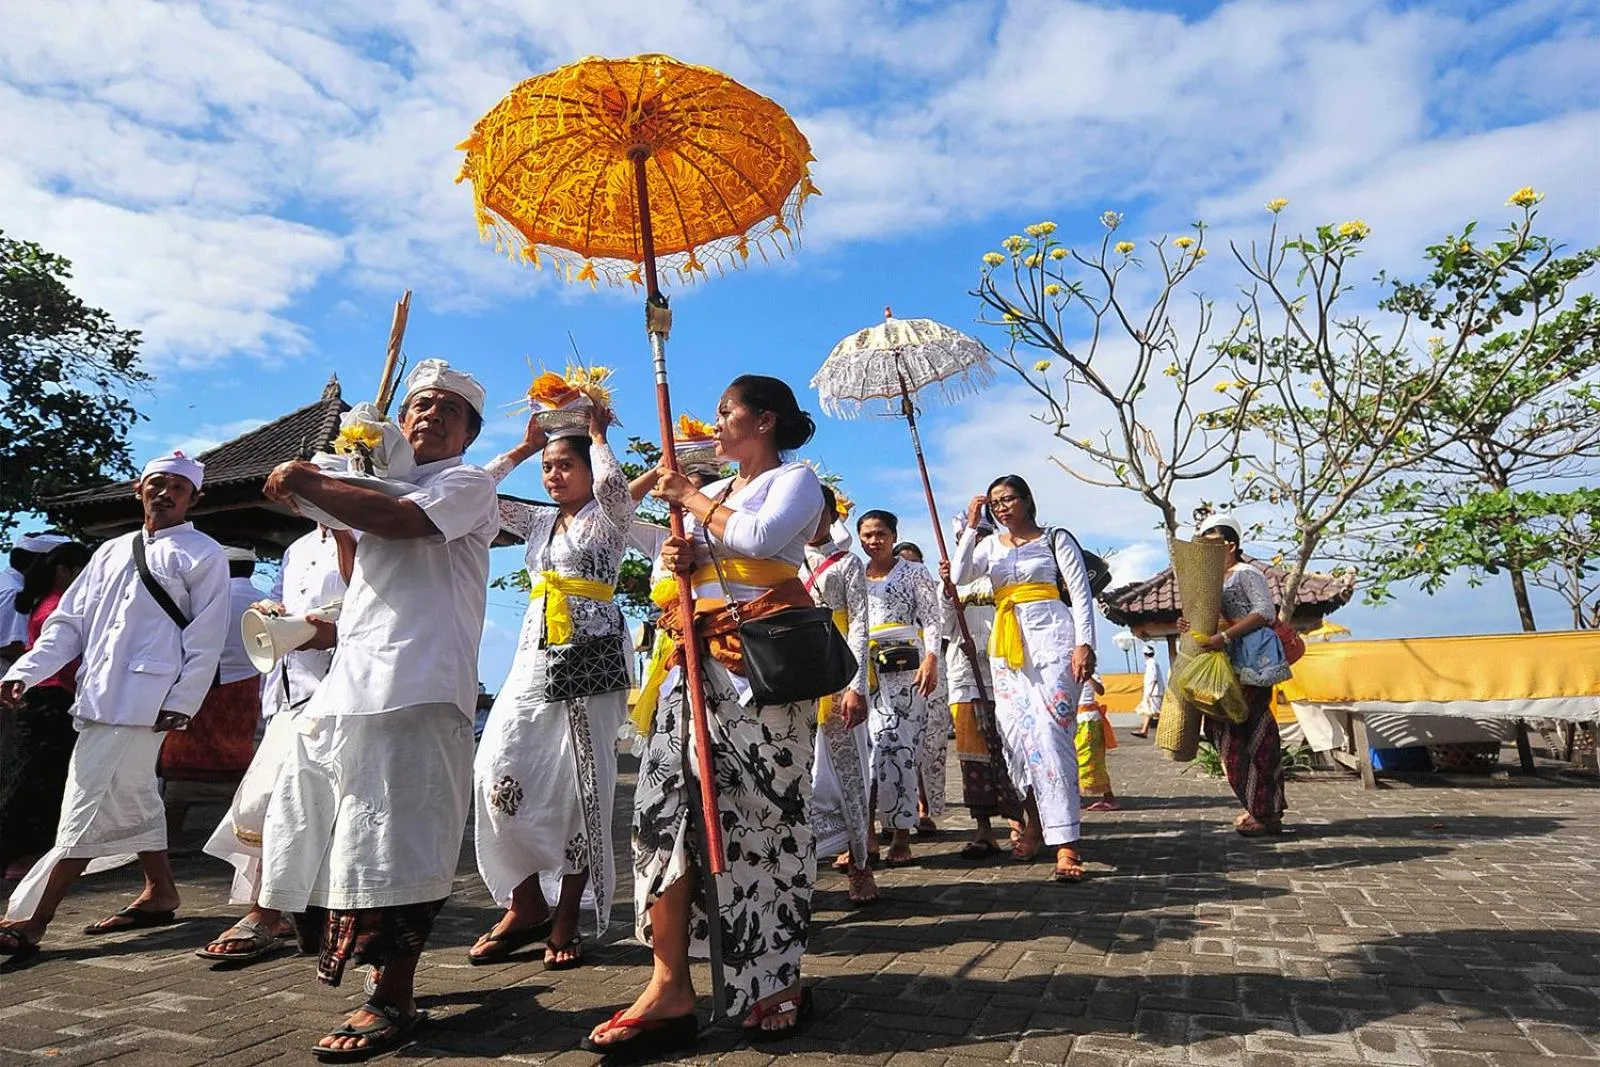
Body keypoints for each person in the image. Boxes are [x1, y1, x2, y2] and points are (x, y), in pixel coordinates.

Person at [259, 359, 499, 1061]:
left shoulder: (468, 484)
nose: (429, 416)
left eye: (447, 411)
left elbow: (402, 522)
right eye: (419, 406)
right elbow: (363, 569)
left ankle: (394, 995)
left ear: (468, 434)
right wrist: (331, 508)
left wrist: (311, 481)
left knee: (395, 843)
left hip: (419, 685)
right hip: (352, 681)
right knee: (321, 828)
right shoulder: (374, 482)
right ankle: (368, 969)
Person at [584, 374, 825, 1057]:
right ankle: (669, 983)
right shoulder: (708, 495)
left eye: (728, 412)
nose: (717, 424)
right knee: (663, 816)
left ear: (765, 418)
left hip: (761, 671)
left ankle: (774, 978)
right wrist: (605, 446)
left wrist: (689, 497)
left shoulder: (795, 479)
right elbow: (619, 522)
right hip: (687, 669)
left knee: (764, 817)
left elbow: (761, 535)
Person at [0, 452, 229, 959]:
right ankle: (161, 890)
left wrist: (183, 700)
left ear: (195, 498)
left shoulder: (202, 553)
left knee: (82, 810)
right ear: (138, 490)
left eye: (177, 487)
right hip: (98, 695)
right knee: (134, 796)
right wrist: (26, 670)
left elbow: (206, 637)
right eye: (156, 484)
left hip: (148, 703)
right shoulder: (109, 552)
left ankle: (32, 918)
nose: (164, 493)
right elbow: (69, 624)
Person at [471, 400, 634, 970]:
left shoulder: (610, 516)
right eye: (547, 467)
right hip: (531, 661)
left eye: (566, 463)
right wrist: (519, 448)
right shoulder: (539, 521)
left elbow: (617, 491)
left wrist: (597, 434)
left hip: (590, 658)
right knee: (493, 768)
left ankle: (568, 912)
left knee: (580, 786)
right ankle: (526, 902)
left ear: (590, 468)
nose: (554, 474)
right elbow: (475, 495)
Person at [198, 526, 353, 965]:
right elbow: (283, 600)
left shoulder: (366, 534)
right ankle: (279, 910)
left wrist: (335, 633)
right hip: (289, 690)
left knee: (294, 802)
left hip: (339, 688)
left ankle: (269, 913)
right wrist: (270, 608)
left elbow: (378, 610)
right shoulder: (298, 547)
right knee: (267, 800)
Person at [949, 475, 1096, 885]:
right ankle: (1033, 824)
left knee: (1051, 737)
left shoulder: (1055, 538)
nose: (1002, 507)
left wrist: (1085, 645)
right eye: (994, 502)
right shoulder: (990, 545)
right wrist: (973, 525)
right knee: (1017, 740)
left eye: (1008, 498)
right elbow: (960, 574)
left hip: (1053, 642)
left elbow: (1081, 595)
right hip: (1006, 650)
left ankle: (1066, 842)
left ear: (1028, 499)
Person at [1192, 515, 1291, 836]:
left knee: (1245, 727)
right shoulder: (1211, 579)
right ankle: (1262, 807)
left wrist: (1227, 636)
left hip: (1251, 656)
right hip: (1226, 658)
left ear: (1230, 546)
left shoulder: (1245, 572)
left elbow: (1264, 612)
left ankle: (1264, 810)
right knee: (1236, 729)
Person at [159, 545, 267, 837]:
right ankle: (240, 834)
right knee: (243, 757)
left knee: (183, 761)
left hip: (199, 687)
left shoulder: (202, 601)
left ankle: (169, 836)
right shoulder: (265, 602)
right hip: (247, 690)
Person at [0, 541, 92, 879]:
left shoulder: (44, 603)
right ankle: (23, 854)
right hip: (52, 700)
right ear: (63, 571)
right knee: (42, 780)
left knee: (23, 775)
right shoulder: (59, 608)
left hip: (39, 698)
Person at [803, 485, 876, 906]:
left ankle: (861, 865)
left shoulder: (849, 563)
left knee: (848, 770)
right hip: (797, 672)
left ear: (833, 516)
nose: (812, 521)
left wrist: (856, 686)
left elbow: (862, 626)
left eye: (820, 513)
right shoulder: (784, 558)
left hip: (838, 668)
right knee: (801, 774)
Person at [857, 509, 940, 867]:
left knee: (898, 747)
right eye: (867, 535)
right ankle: (869, 833)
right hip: (865, 668)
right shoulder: (855, 574)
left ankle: (902, 834)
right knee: (867, 751)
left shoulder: (915, 572)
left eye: (880, 534)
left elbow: (932, 617)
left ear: (893, 535)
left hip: (906, 669)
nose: (873, 541)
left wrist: (932, 658)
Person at [939, 517, 1023, 861]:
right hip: (964, 676)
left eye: (977, 537)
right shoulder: (954, 581)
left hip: (1003, 671)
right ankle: (984, 830)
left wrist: (987, 648)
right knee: (972, 755)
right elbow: (943, 626)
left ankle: (1021, 822)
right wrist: (947, 594)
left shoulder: (1001, 574)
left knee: (1012, 748)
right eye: (963, 539)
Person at [1075, 675, 1119, 811]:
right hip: (1075, 718)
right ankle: (1077, 797)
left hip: (1089, 721)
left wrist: (1087, 676)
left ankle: (1108, 797)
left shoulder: (1091, 672)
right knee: (1074, 759)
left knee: (1090, 760)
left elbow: (1100, 690)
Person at [1130, 645, 1164, 738]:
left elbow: (1154, 679)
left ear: (1144, 654)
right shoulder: (1152, 663)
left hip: (1153, 693)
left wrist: (1149, 693)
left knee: (1158, 712)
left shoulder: (1151, 664)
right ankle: (1144, 730)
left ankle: (1170, 728)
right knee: (1148, 711)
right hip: (1153, 692)